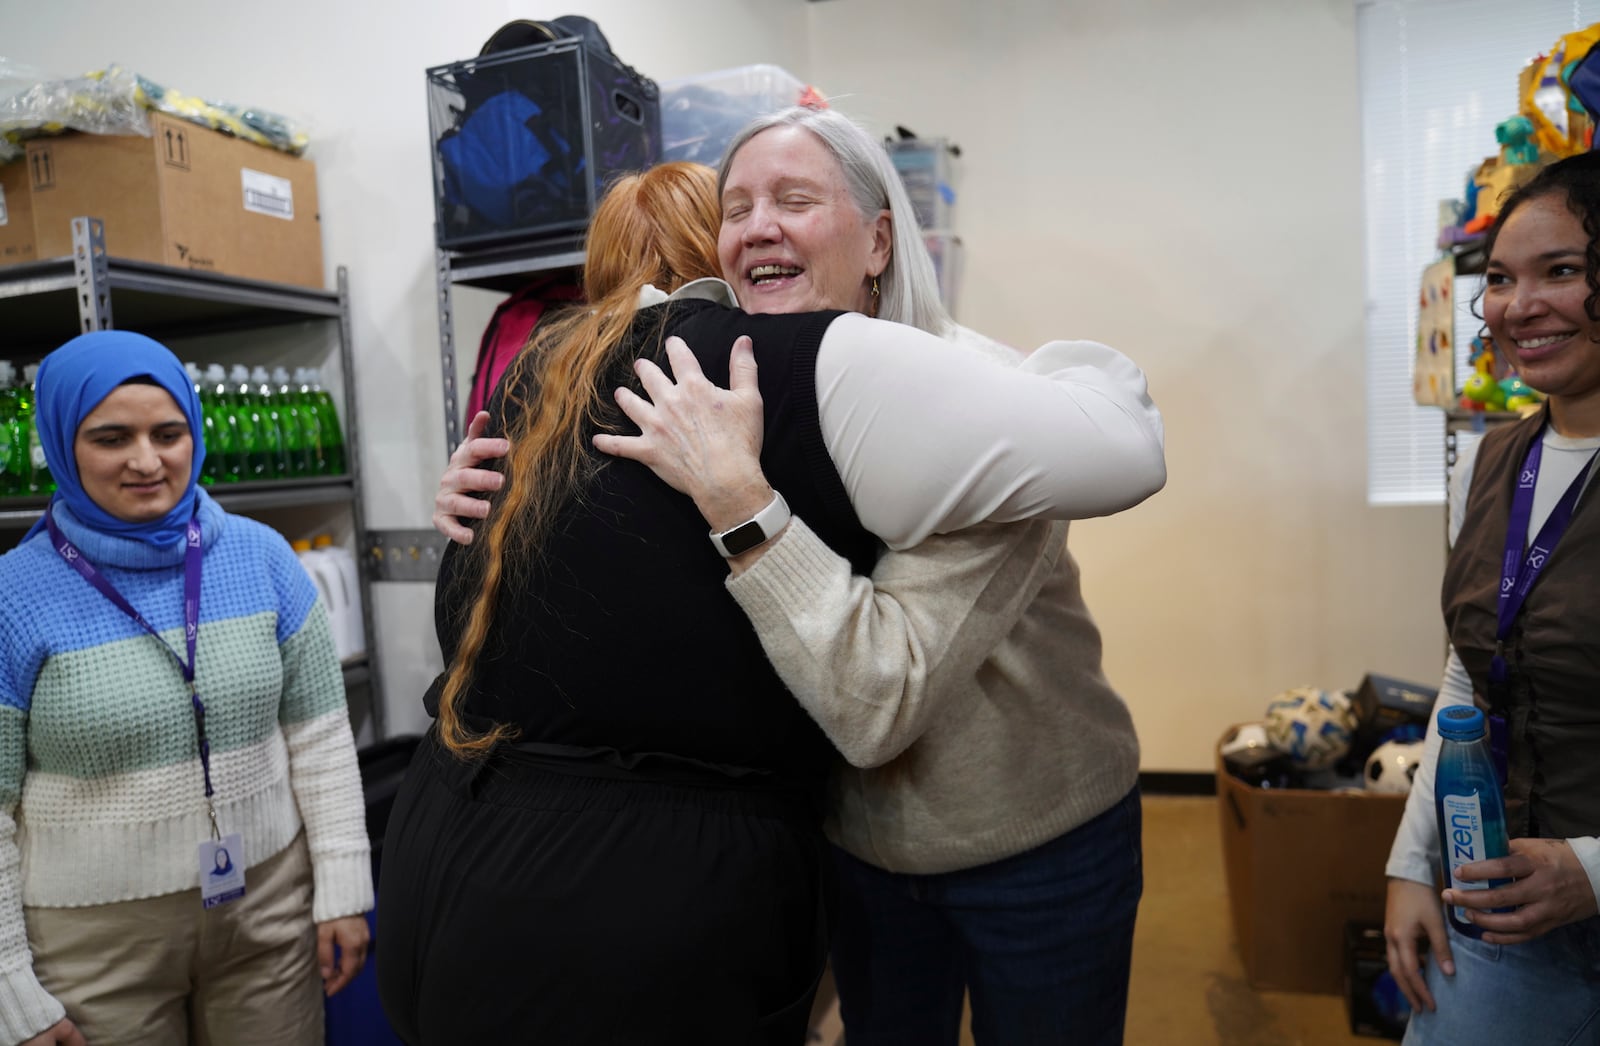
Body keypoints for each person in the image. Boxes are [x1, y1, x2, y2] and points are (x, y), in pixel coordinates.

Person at [386, 156, 1160, 1045]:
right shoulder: (723, 390)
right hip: (861, 834)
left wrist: (741, 503)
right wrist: (491, 507)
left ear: (878, 240)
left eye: (795, 202)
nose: (759, 228)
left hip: (1027, 834)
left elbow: (880, 698)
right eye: (738, 207)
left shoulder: (965, 404)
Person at [0, 331, 373, 1046]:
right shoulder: (14, 596)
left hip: (267, 916)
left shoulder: (262, 558)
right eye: (112, 438)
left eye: (168, 433)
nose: (147, 461)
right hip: (92, 951)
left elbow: (321, 740)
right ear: (59, 444)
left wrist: (344, 890)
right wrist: (10, 986)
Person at [1383, 151, 1600, 1045]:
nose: (1520, 306)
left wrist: (1592, 870)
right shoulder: (1488, 463)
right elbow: (1469, 684)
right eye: (1503, 279)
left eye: (1563, 272)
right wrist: (1411, 864)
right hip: (1503, 910)